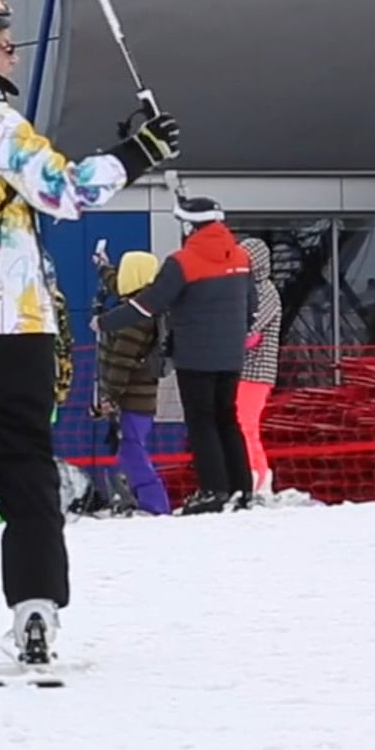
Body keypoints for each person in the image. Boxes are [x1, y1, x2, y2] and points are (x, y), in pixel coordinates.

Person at [0, 0, 181, 669]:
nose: (11, 51)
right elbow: (65, 191)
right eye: (1, 41)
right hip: (5, 324)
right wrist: (138, 151)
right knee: (23, 465)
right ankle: (36, 613)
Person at [102, 196, 253, 514]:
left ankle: (213, 490)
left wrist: (106, 321)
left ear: (189, 225)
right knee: (228, 418)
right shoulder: (241, 257)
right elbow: (250, 303)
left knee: (201, 421)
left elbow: (148, 303)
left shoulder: (182, 261)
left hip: (196, 354)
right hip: (232, 355)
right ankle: (241, 488)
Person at [92, 251, 174, 516]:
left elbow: (121, 360)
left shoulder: (133, 318)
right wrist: (104, 266)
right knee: (130, 446)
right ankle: (147, 498)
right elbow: (119, 283)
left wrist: (109, 397)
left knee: (131, 448)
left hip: (133, 396)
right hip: (140, 394)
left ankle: (155, 503)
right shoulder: (144, 304)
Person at [239, 238, 283, 498]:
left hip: (257, 371)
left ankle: (258, 476)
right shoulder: (248, 291)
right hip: (244, 369)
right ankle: (254, 474)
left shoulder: (265, 292)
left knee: (246, 424)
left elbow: (249, 326)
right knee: (243, 424)